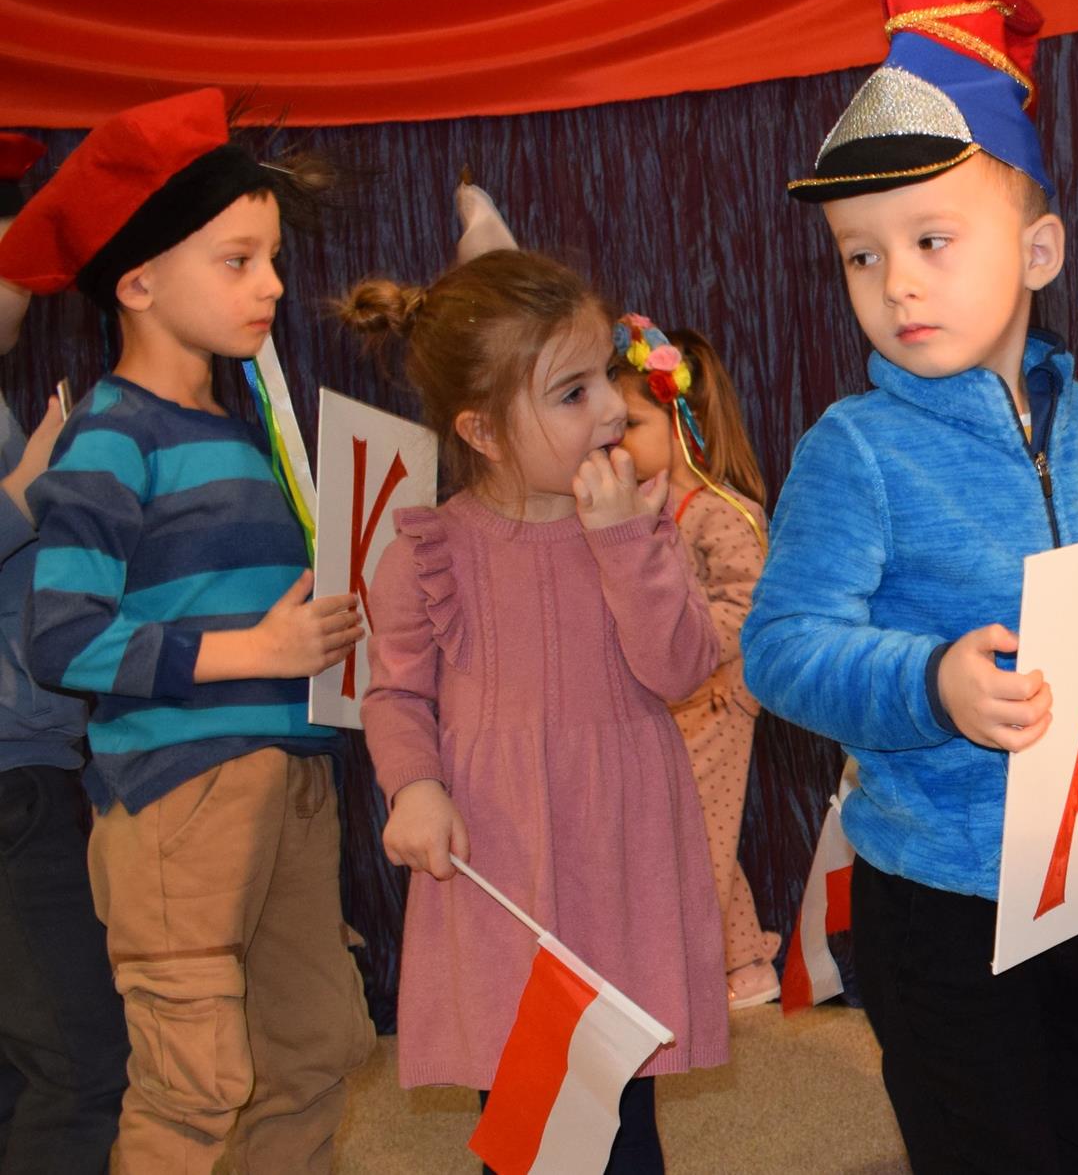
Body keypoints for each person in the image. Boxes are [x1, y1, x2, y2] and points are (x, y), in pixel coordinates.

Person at [743, 0, 1078, 1173]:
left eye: (929, 239)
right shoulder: (854, 448)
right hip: (935, 885)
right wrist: (931, 681)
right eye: (859, 257)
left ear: (1037, 250)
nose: (895, 282)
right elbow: (780, 646)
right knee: (990, 1143)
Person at [1, 88, 374, 1173]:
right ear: (138, 281)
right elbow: (61, 637)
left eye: (273, 260)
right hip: (180, 797)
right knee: (192, 1079)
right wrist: (255, 651)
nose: (272, 285)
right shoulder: (111, 437)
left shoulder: (244, 434)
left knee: (310, 1051)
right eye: (238, 260)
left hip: (288, 776)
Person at [349, 249, 726, 1172]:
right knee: (530, 1120)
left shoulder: (640, 521)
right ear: (481, 430)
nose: (610, 409)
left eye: (606, 377)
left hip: (621, 850)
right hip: (505, 857)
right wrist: (414, 786)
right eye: (572, 393)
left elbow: (682, 666)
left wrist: (623, 543)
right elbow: (396, 692)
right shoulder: (431, 551)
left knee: (623, 1111)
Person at [0, 132, 125, 1172]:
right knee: (82, 1070)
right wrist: (24, 493)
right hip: (10, 774)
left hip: (32, 758)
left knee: (28, 1069)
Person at [613, 314, 781, 1007]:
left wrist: (689, 649)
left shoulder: (723, 512)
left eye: (630, 424)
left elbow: (748, 602)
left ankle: (685, 975)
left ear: (682, 421)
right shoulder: (637, 513)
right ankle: (747, 965)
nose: (615, 439)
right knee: (692, 831)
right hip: (667, 703)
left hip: (715, 702)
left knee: (696, 839)